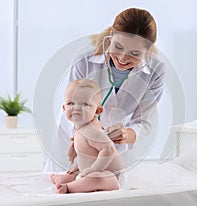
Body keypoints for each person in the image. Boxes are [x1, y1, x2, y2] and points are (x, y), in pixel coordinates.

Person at [45, 7, 165, 176]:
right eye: (118, 46)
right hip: (73, 136)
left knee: (106, 192)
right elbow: (73, 103)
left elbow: (144, 121)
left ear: (149, 49)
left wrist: (126, 134)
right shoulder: (85, 59)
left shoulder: (156, 70)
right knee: (65, 189)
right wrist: (84, 138)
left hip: (113, 146)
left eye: (135, 53)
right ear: (111, 35)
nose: (123, 58)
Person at [52, 79, 125, 193]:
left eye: (84, 104)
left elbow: (108, 149)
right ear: (64, 108)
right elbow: (85, 153)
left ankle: (69, 187)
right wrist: (76, 166)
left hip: (112, 176)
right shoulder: (80, 127)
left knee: (95, 178)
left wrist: (93, 169)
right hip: (92, 169)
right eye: (70, 103)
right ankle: (62, 179)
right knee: (75, 175)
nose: (76, 107)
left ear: (97, 111)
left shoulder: (91, 129)